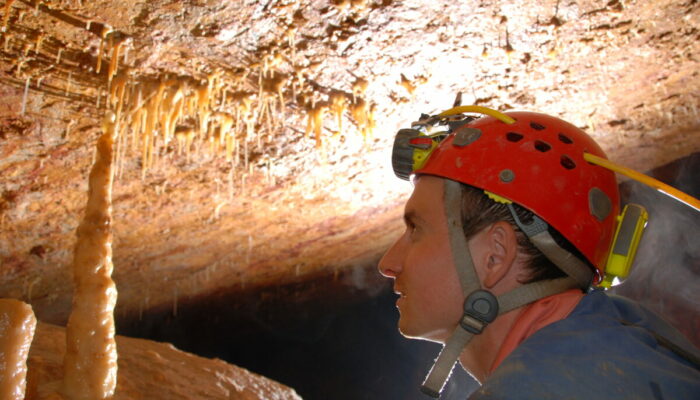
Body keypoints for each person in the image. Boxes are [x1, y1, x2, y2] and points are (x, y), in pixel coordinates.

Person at [378, 105, 700, 399]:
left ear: (495, 255)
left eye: (416, 229)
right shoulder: (634, 336)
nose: (387, 264)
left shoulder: (533, 390)